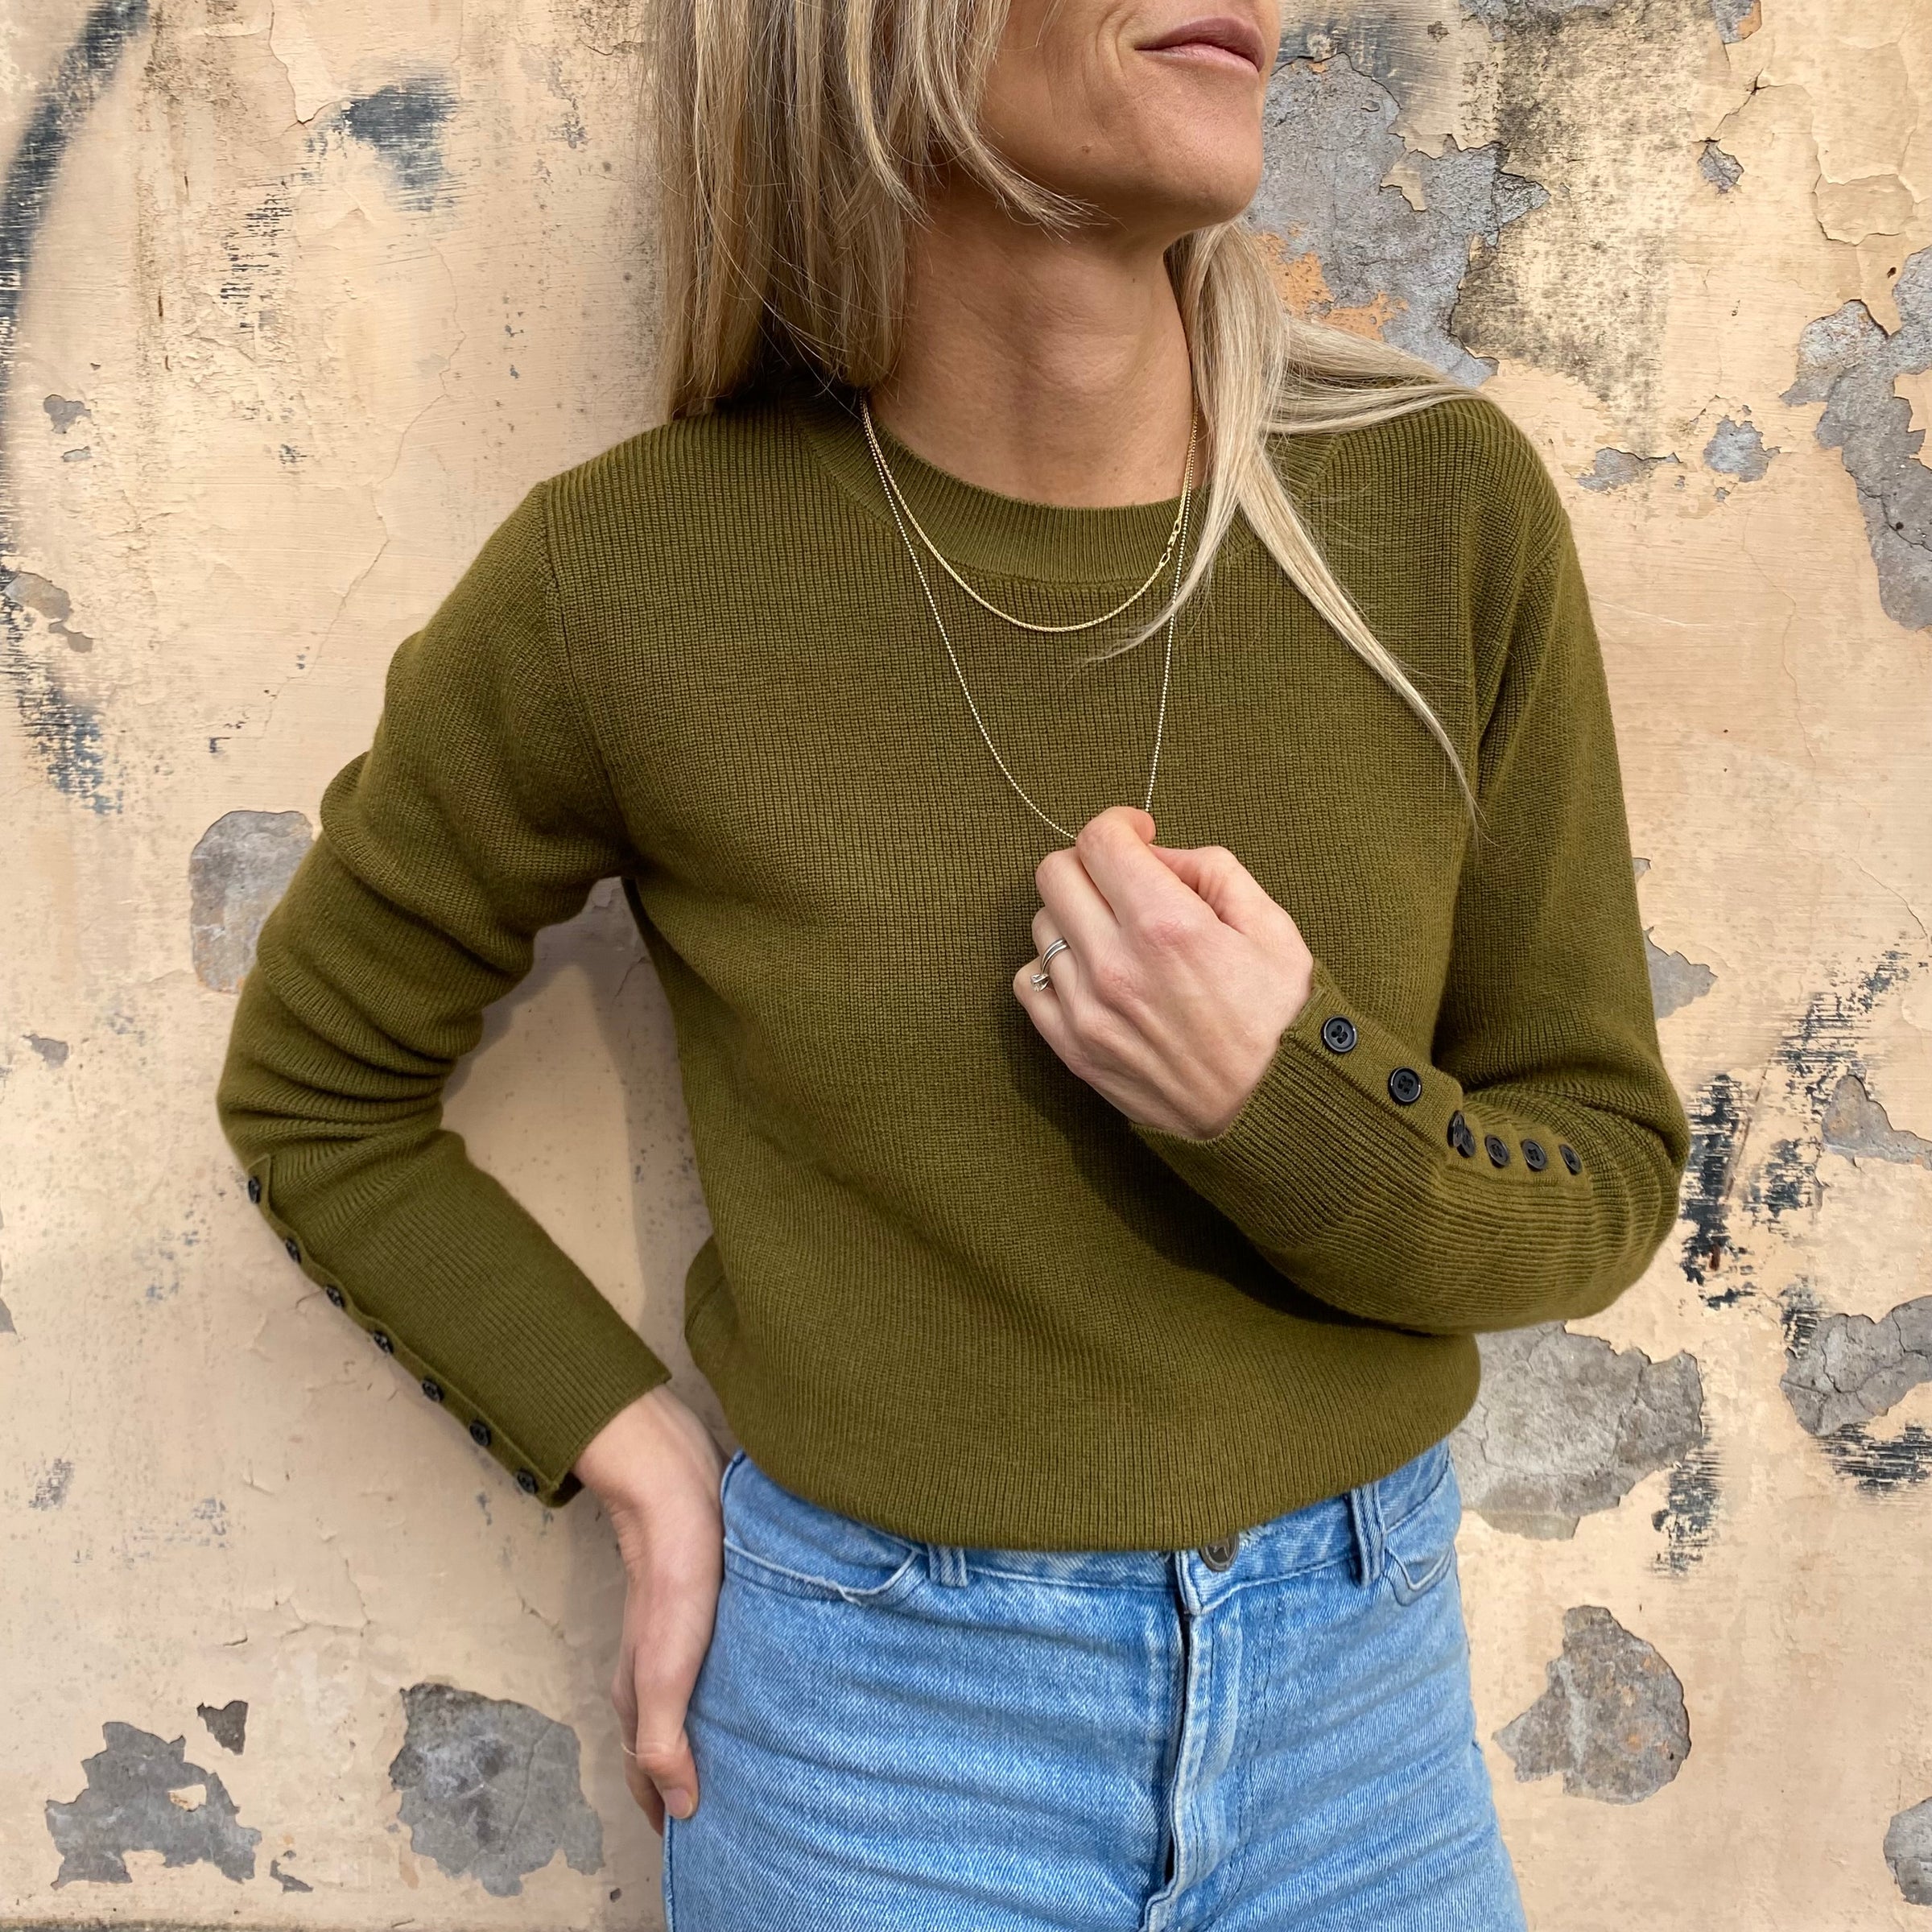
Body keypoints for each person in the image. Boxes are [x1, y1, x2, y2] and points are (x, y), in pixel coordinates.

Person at [216, 0, 1691, 1917]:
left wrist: (1285, 1102)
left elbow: (1603, 1172)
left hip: (1366, 1736)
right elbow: (316, 1095)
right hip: (875, 1754)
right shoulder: (626, 582)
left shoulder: (1442, 506)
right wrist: (638, 1455)